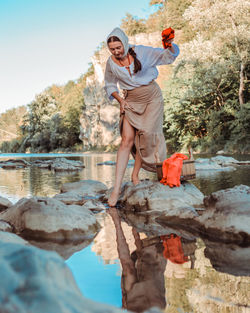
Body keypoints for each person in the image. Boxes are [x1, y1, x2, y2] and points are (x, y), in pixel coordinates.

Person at [104, 27, 180, 207]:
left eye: (118, 47)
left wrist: (168, 45)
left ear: (124, 42)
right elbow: (109, 84)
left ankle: (135, 175)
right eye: (112, 49)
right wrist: (120, 100)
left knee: (145, 135)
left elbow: (167, 57)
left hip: (152, 97)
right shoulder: (111, 62)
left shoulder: (142, 52)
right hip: (130, 99)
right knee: (126, 140)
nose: (116, 51)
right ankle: (116, 189)